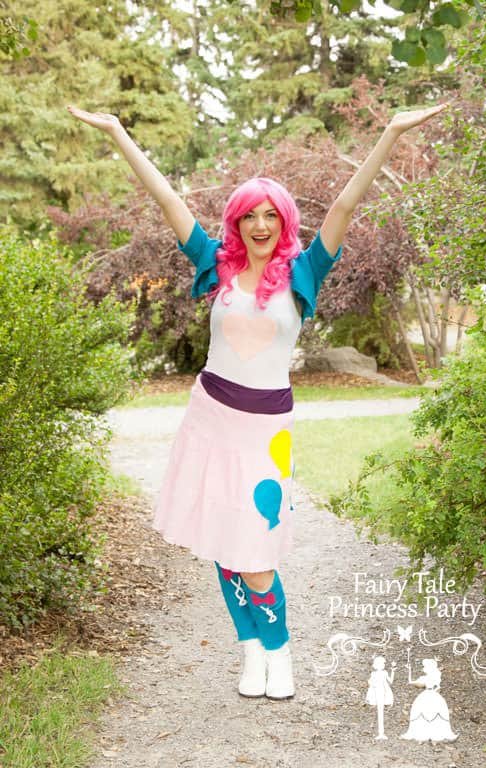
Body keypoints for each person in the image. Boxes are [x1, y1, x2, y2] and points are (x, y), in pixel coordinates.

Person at [67, 100, 449, 701]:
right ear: (237, 222)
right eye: (251, 215)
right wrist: (118, 131)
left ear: (285, 221)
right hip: (209, 418)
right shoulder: (215, 266)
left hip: (264, 429)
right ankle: (251, 653)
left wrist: (391, 133)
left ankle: (280, 650)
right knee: (224, 542)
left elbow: (346, 204)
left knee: (256, 548)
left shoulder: (304, 271)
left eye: (272, 215)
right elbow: (169, 201)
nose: (261, 225)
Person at [400, 658, 458, 741]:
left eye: (425, 666)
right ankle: (423, 731)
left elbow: (438, 687)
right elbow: (411, 682)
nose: (424, 668)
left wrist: (435, 690)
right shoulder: (423, 678)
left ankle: (436, 731)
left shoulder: (434, 676)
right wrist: (409, 670)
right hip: (427, 694)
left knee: (435, 711)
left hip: (433, 695)